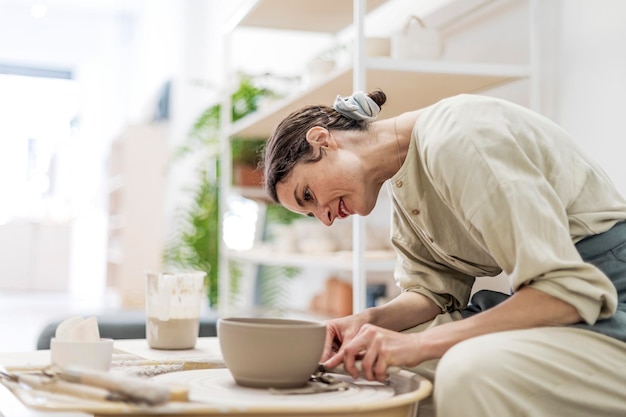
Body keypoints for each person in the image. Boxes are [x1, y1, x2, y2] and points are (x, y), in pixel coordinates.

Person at [262, 91, 626, 417]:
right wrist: (366, 321)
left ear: (322, 140)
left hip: (606, 303)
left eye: (308, 195)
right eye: (311, 214)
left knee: (468, 371)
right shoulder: (403, 180)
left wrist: (418, 344)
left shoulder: (458, 136)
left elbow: (564, 292)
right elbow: (433, 292)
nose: (325, 219)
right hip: (562, 301)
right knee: (354, 368)